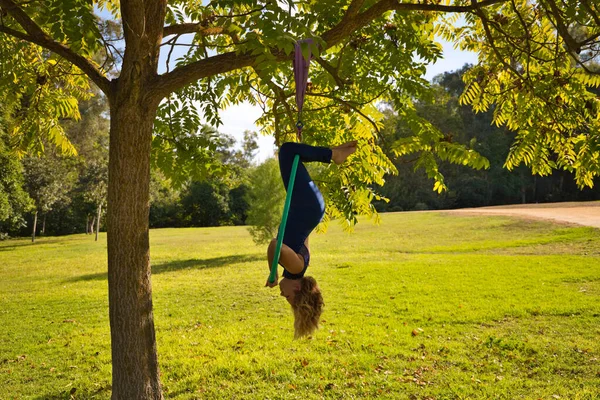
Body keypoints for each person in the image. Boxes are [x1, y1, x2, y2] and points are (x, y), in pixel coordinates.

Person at [266, 140, 357, 338]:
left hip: (312, 208)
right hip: (307, 205)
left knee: (294, 156)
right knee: (288, 151)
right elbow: (275, 245)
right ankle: (335, 155)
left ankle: (335, 152)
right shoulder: (295, 268)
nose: (282, 295)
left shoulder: (303, 264)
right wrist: (271, 272)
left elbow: (302, 233)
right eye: (288, 297)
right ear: (297, 288)